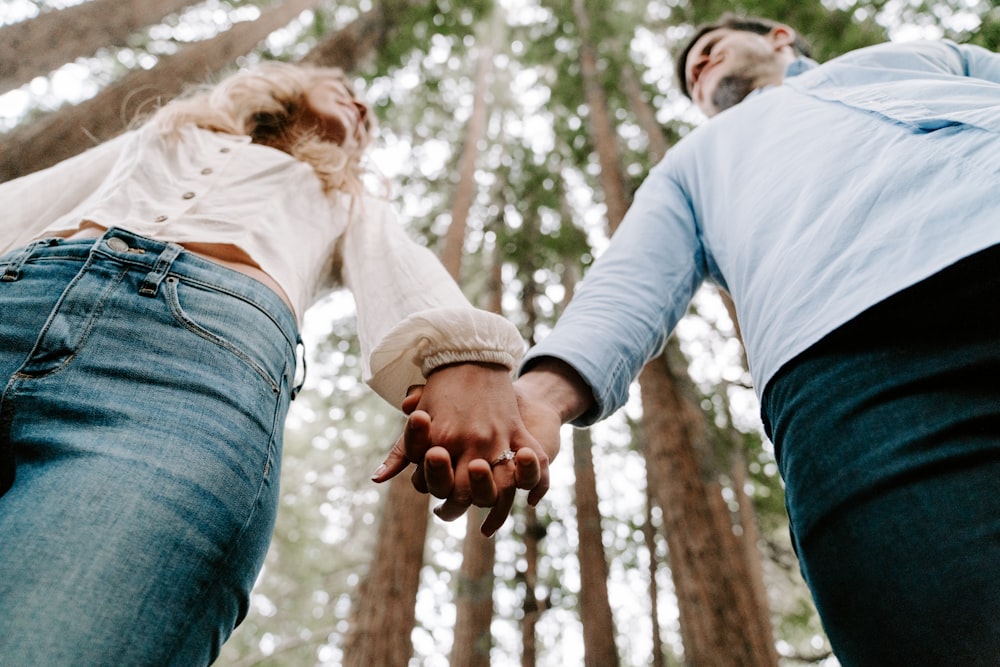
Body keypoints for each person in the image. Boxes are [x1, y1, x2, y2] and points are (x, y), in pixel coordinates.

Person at [376, 15, 1000, 665]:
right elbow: (630, 281)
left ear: (780, 36)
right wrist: (539, 396)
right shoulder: (693, 164)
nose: (698, 68)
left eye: (709, 50)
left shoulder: (923, 56)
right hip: (853, 380)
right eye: (689, 75)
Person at [0, 61, 545, 665]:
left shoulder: (344, 193)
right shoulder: (170, 133)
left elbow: (395, 259)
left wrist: (466, 356)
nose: (361, 107)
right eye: (346, 89)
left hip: (188, 373)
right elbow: (29, 199)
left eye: (368, 116)